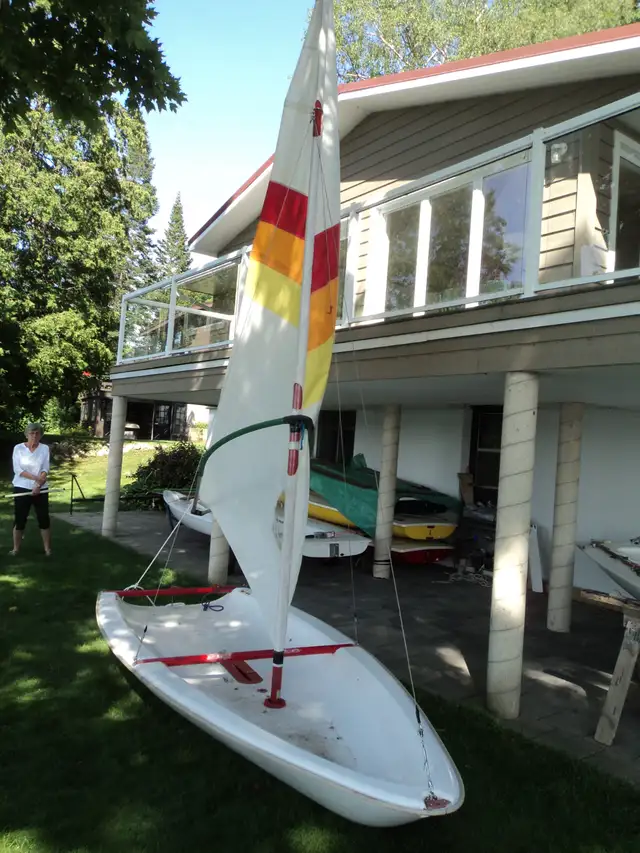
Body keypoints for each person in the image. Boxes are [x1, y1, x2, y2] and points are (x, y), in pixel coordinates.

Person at [10, 422, 52, 556]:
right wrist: (36, 479)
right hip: (21, 487)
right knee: (20, 519)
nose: (34, 436)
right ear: (26, 434)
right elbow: (18, 470)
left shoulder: (44, 448)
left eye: (37, 433)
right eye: (32, 433)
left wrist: (38, 485)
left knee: (43, 518)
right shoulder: (18, 448)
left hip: (41, 488)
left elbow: (45, 468)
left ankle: (47, 550)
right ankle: (16, 549)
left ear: (41, 435)